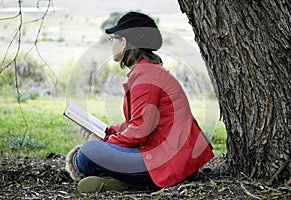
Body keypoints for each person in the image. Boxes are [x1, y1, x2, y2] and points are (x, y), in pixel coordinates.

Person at [65, 11, 214, 193]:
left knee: (87, 153)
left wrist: (107, 142)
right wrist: (106, 132)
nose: (111, 43)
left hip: (166, 163)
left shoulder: (146, 77)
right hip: (171, 160)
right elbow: (139, 123)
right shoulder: (149, 72)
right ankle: (123, 182)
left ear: (125, 42)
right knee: (94, 149)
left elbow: (139, 133)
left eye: (113, 38)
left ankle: (132, 181)